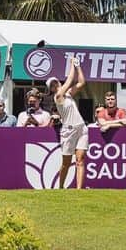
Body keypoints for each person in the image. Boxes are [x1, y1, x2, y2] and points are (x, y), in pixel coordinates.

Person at [49, 57, 87, 188]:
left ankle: (79, 190)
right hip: (68, 131)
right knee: (66, 162)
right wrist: (71, 64)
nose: (56, 85)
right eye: (52, 85)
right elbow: (70, 80)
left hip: (81, 128)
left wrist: (78, 66)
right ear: (52, 90)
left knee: (80, 159)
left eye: (56, 82)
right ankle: (60, 187)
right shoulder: (58, 97)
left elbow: (81, 82)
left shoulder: (69, 94)